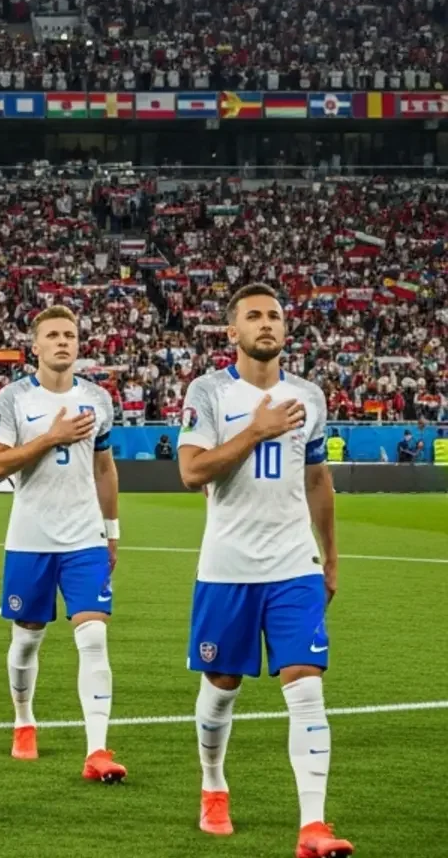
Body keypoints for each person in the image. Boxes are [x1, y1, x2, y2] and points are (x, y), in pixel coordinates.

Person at [177, 283, 350, 856]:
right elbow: (193, 472)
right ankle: (212, 784)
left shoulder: (310, 395)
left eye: (275, 315)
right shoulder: (208, 392)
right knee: (222, 687)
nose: (267, 323)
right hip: (226, 566)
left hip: (292, 563)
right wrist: (256, 429)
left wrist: (329, 554)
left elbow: (317, 478)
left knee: (305, 690)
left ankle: (313, 826)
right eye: (254, 316)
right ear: (233, 332)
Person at [0, 306, 125, 782]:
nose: (63, 342)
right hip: (31, 538)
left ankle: (98, 750)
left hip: (84, 537)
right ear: (35, 347)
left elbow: (104, 467)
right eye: (53, 335)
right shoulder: (13, 397)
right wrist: (52, 436)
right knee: (26, 641)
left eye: (70, 334)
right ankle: (23, 719)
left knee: (94, 636)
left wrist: (112, 530)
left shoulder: (99, 399)